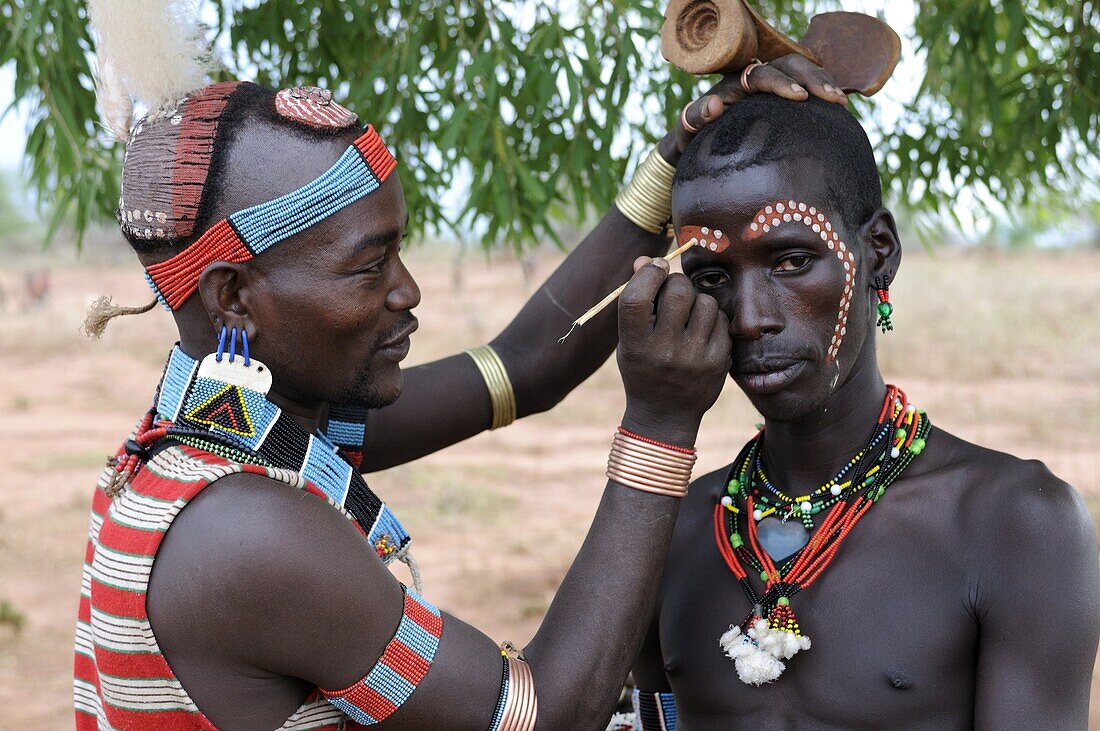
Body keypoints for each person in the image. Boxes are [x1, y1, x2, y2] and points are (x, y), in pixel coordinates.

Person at [73, 32, 850, 729]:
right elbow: (544, 714)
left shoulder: (233, 435)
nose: (408, 291)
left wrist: (670, 163)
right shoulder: (247, 530)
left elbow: (523, 367)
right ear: (232, 295)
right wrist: (661, 422)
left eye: (399, 250)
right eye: (370, 265)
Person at [627, 94, 1100, 729]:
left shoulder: (1015, 524)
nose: (750, 317)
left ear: (879, 251)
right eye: (711, 275)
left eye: (792, 262)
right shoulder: (670, 532)